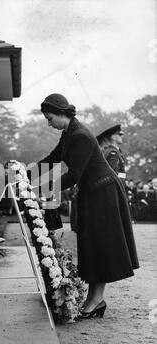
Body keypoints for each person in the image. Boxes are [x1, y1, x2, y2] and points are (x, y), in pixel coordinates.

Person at [34, 93, 139, 320]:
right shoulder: (69, 133)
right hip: (93, 194)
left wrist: (46, 187)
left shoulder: (80, 135)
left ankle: (96, 300)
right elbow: (54, 157)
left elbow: (73, 175)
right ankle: (94, 299)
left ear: (62, 112)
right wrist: (27, 172)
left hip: (104, 193)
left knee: (99, 245)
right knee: (92, 246)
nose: (49, 123)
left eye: (50, 118)